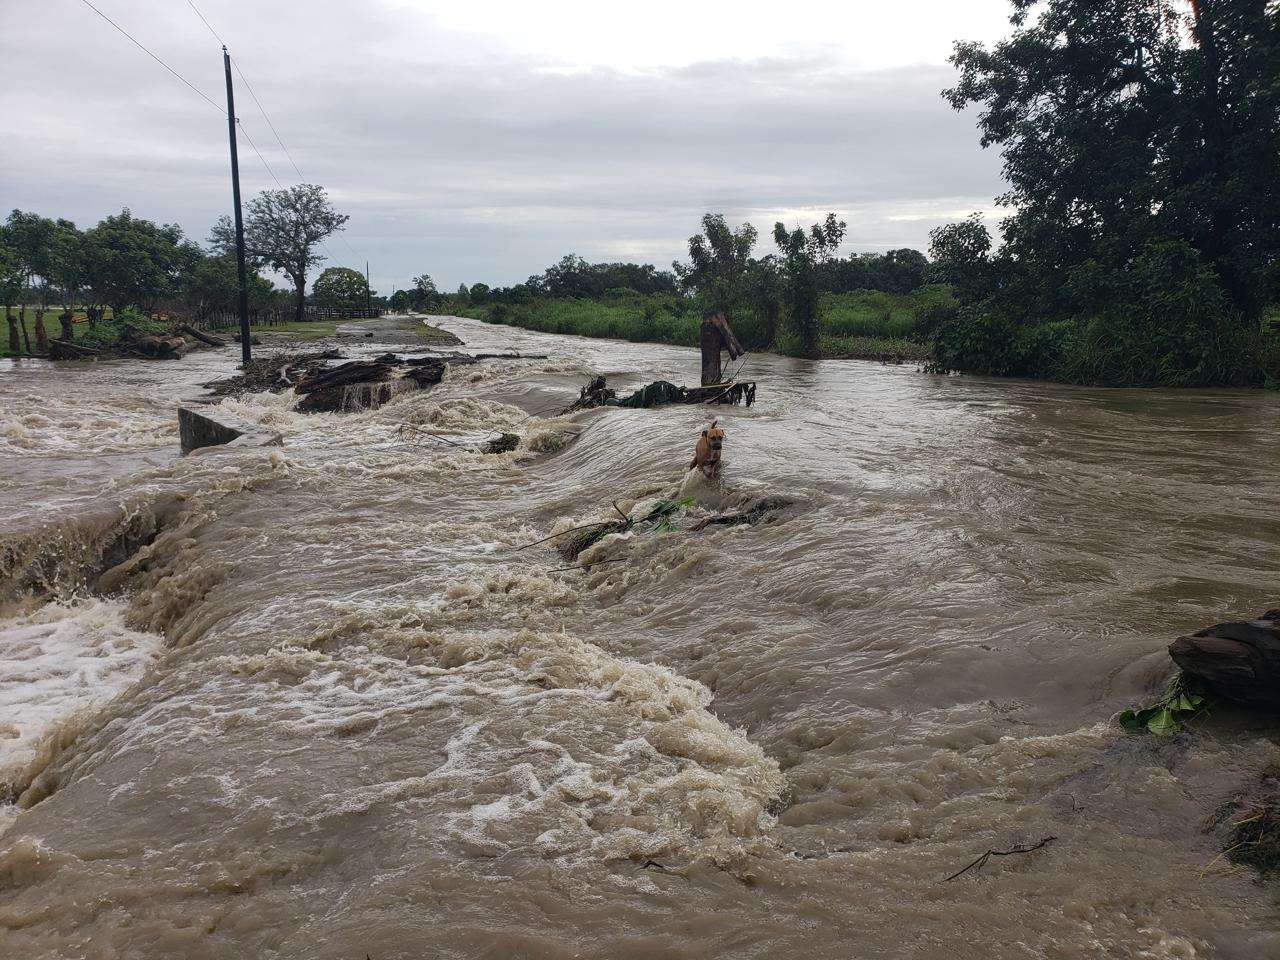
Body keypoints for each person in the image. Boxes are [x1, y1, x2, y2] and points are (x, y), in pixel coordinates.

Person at [698, 310, 744, 386]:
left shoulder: (713, 326)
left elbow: (728, 338)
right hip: (711, 339)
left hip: (712, 341)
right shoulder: (710, 326)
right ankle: (711, 383)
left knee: (711, 368)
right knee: (710, 368)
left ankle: (712, 382)